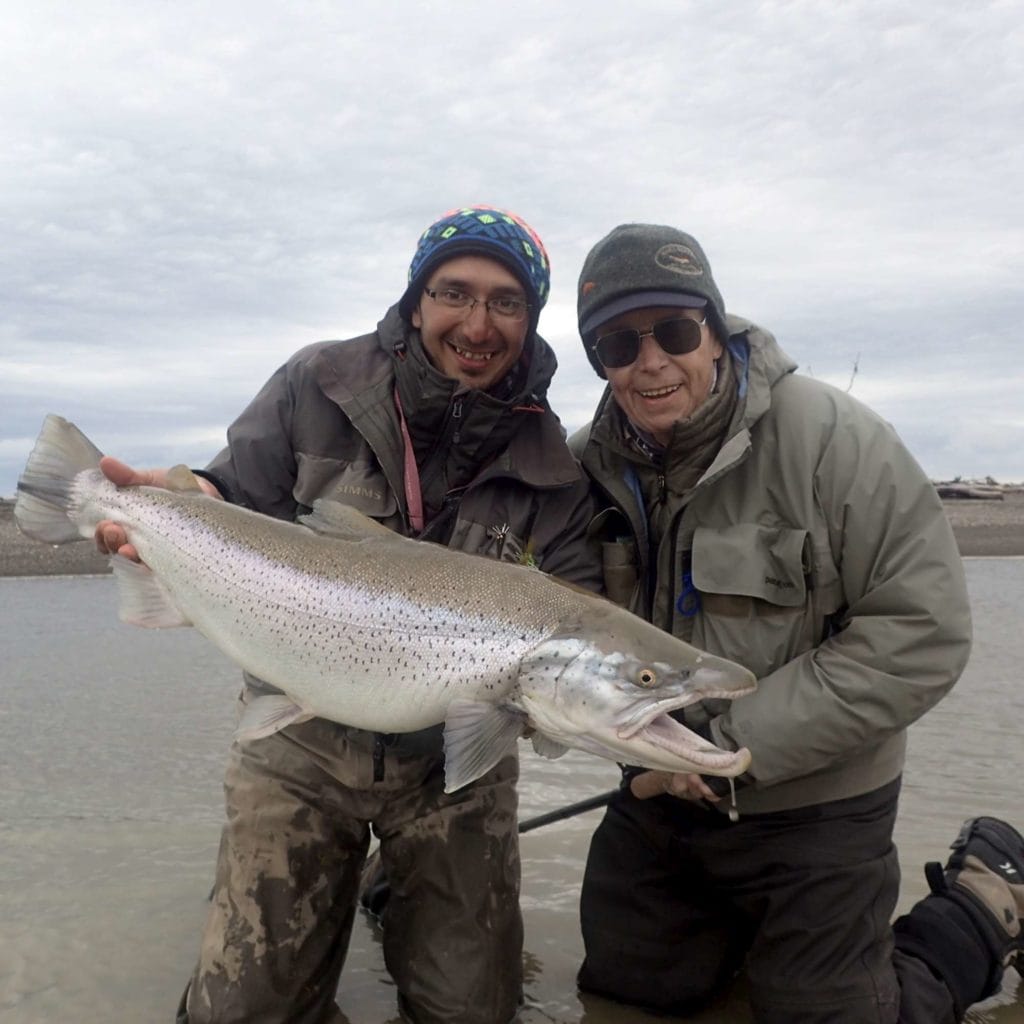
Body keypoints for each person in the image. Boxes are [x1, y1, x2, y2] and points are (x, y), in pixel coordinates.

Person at [94, 205, 602, 1024]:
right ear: (415, 299)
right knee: (242, 1014)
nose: (477, 324)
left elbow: (579, 623)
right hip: (297, 746)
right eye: (454, 293)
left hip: (454, 773)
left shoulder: (553, 468)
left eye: (507, 302)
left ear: (531, 318)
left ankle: (405, 911)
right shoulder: (318, 381)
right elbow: (233, 491)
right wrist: (179, 502)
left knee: (473, 1013)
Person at [570, 222, 1023, 1023]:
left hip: (818, 808)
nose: (650, 361)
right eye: (617, 343)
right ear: (597, 359)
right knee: (624, 997)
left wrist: (734, 742)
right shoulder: (582, 466)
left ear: (713, 329)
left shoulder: (839, 442)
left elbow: (924, 632)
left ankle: (986, 899)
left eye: (674, 331)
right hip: (654, 792)